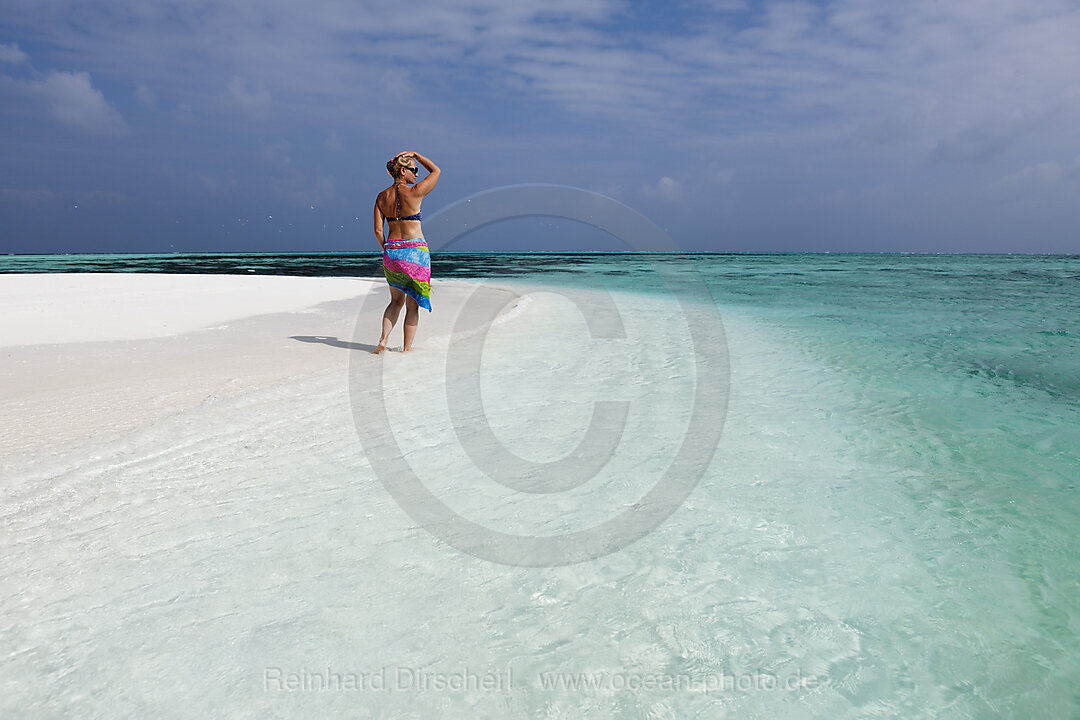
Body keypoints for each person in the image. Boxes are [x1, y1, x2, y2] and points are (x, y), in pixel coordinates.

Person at [373, 151, 440, 353]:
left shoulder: (381, 197)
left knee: (395, 301)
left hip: (392, 250)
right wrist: (417, 155)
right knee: (412, 305)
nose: (417, 175)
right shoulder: (415, 191)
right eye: (414, 170)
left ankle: (383, 339)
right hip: (415, 252)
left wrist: (388, 249)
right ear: (403, 171)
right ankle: (407, 349)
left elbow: (378, 230)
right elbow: (436, 171)